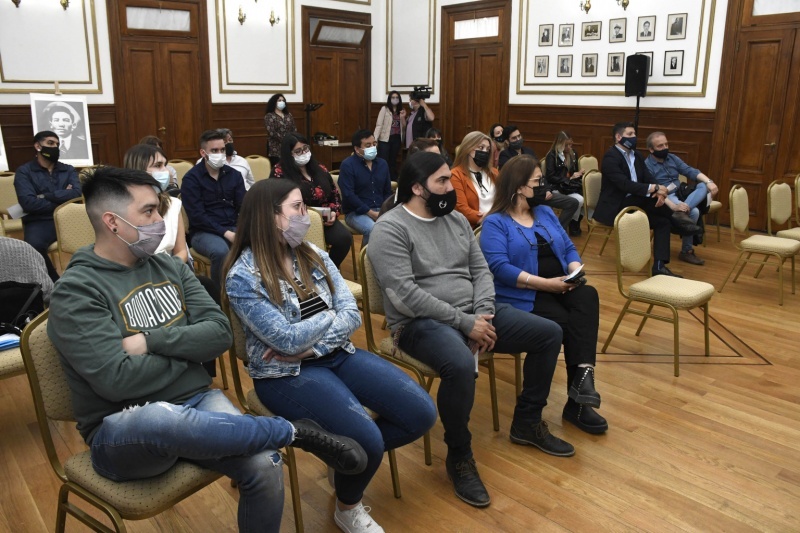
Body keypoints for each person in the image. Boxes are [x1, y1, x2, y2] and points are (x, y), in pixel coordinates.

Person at [46, 166, 369, 533]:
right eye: (149, 212)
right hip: (122, 431)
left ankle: (269, 435)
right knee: (161, 418)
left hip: (197, 402)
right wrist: (188, 359)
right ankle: (290, 432)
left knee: (265, 464)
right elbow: (116, 381)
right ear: (113, 222)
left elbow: (219, 336)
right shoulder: (77, 291)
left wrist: (152, 342)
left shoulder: (171, 268)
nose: (161, 222)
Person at [224, 179, 436, 533]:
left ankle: (345, 459)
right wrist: (328, 316)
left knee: (420, 412)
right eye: (297, 207)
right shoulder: (243, 276)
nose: (306, 215)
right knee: (366, 440)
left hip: (335, 354)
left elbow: (351, 312)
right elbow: (287, 341)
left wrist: (319, 342)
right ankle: (347, 506)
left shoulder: (311, 252)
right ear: (270, 217)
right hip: (284, 375)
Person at [368, 152, 570, 509]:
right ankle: (459, 455)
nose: (450, 187)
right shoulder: (391, 227)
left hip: (475, 313)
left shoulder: (456, 221)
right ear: (416, 187)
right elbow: (406, 296)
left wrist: (485, 314)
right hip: (418, 323)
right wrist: (466, 323)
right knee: (460, 364)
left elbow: (481, 272)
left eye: (449, 178)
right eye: (442, 181)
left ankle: (526, 422)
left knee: (549, 333)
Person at [481, 155, 606, 434]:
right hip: (521, 295)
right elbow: (500, 269)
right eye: (537, 182)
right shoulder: (496, 223)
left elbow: (569, 247)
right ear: (518, 187)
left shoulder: (546, 212)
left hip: (559, 287)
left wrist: (574, 270)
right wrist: (546, 284)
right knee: (567, 326)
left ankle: (582, 384)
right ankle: (577, 403)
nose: (543, 187)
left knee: (588, 296)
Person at [595, 122, 701, 278]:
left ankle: (659, 266)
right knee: (648, 199)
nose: (634, 137)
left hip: (637, 203)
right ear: (618, 137)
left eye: (634, 134)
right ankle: (678, 222)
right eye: (630, 134)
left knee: (662, 222)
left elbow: (647, 177)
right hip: (617, 206)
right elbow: (624, 185)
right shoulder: (610, 157)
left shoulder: (636, 155)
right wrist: (654, 189)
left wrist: (658, 190)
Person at [271, 133, 353, 268]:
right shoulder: (279, 172)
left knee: (344, 239)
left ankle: (329, 269)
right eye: (298, 151)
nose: (303, 153)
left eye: (305, 149)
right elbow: (277, 201)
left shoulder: (319, 168)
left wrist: (334, 212)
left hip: (325, 220)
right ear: (288, 154)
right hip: (296, 221)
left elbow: (334, 194)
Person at [13, 130, 82, 281]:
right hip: (40, 221)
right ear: (38, 146)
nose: (55, 147)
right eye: (50, 143)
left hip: (69, 219)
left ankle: (85, 280)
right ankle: (55, 283)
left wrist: (45, 196)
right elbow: (28, 203)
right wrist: (63, 196)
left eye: (57, 144)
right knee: (33, 246)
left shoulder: (68, 169)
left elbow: (77, 194)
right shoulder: (24, 172)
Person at [181, 130, 246, 288]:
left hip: (232, 225)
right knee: (220, 252)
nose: (220, 154)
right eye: (214, 151)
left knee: (258, 244)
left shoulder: (234, 175)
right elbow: (198, 216)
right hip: (204, 231)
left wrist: (243, 229)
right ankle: (220, 295)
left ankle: (248, 290)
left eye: (222, 150)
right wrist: (227, 233)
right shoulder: (191, 179)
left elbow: (244, 206)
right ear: (203, 153)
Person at [645, 131, 719, 266]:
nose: (665, 148)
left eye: (666, 144)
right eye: (660, 146)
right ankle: (687, 251)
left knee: (703, 185)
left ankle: (682, 212)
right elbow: (653, 191)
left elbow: (691, 171)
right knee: (695, 212)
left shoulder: (672, 158)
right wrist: (673, 206)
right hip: (665, 196)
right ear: (651, 149)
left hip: (680, 192)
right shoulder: (647, 166)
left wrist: (710, 182)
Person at [501, 126, 580, 232]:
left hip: (541, 192)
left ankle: (558, 230)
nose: (518, 139)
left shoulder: (529, 151)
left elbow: (541, 175)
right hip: (523, 195)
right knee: (542, 209)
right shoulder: (505, 155)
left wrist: (547, 189)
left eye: (519, 136)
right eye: (514, 138)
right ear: (507, 141)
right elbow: (511, 179)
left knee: (573, 202)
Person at [123, 144, 189, 264]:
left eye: (165, 165)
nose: (167, 172)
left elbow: (182, 252)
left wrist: (168, 270)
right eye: (158, 166)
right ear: (139, 171)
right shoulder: (122, 207)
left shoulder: (173, 204)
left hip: (169, 269)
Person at [338, 130, 393, 245]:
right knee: (373, 229)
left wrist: (385, 211)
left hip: (381, 210)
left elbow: (387, 191)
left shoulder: (383, 164)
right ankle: (366, 262)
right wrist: (370, 212)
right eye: (368, 145)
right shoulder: (348, 165)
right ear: (357, 149)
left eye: (374, 144)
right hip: (356, 213)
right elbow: (348, 195)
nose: (372, 147)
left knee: (398, 229)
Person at [379, 137, 442, 217]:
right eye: (434, 158)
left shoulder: (443, 199)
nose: (440, 162)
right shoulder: (390, 207)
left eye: (440, 157)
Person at [450, 131, 497, 228]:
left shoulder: (494, 173)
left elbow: (504, 199)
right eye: (481, 148)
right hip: (472, 227)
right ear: (468, 148)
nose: (485, 152)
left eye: (488, 149)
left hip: (497, 223)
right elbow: (461, 208)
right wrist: (488, 218)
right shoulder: (456, 175)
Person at [544, 131, 585, 236]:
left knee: (581, 199)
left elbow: (573, 172)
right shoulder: (552, 155)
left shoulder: (573, 153)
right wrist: (569, 178)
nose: (569, 147)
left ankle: (572, 223)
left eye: (571, 144)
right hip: (556, 187)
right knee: (577, 200)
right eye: (566, 145)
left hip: (569, 187)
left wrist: (578, 174)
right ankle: (562, 226)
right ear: (559, 143)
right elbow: (550, 177)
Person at [374, 91, 406, 181]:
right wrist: (375, 139)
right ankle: (382, 178)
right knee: (383, 160)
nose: (395, 99)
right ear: (390, 99)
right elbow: (379, 124)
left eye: (397, 97)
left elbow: (404, 126)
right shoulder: (384, 109)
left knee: (393, 160)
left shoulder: (401, 110)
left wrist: (403, 117)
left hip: (396, 138)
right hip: (385, 138)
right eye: (393, 97)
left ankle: (392, 179)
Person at [264, 93, 297, 167]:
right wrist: (286, 140)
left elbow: (294, 128)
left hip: (289, 147)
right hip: (275, 149)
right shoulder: (269, 116)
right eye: (279, 100)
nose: (281, 102)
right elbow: (272, 132)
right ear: (274, 102)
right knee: (278, 169)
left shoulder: (288, 115)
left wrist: (292, 140)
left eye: (283, 100)